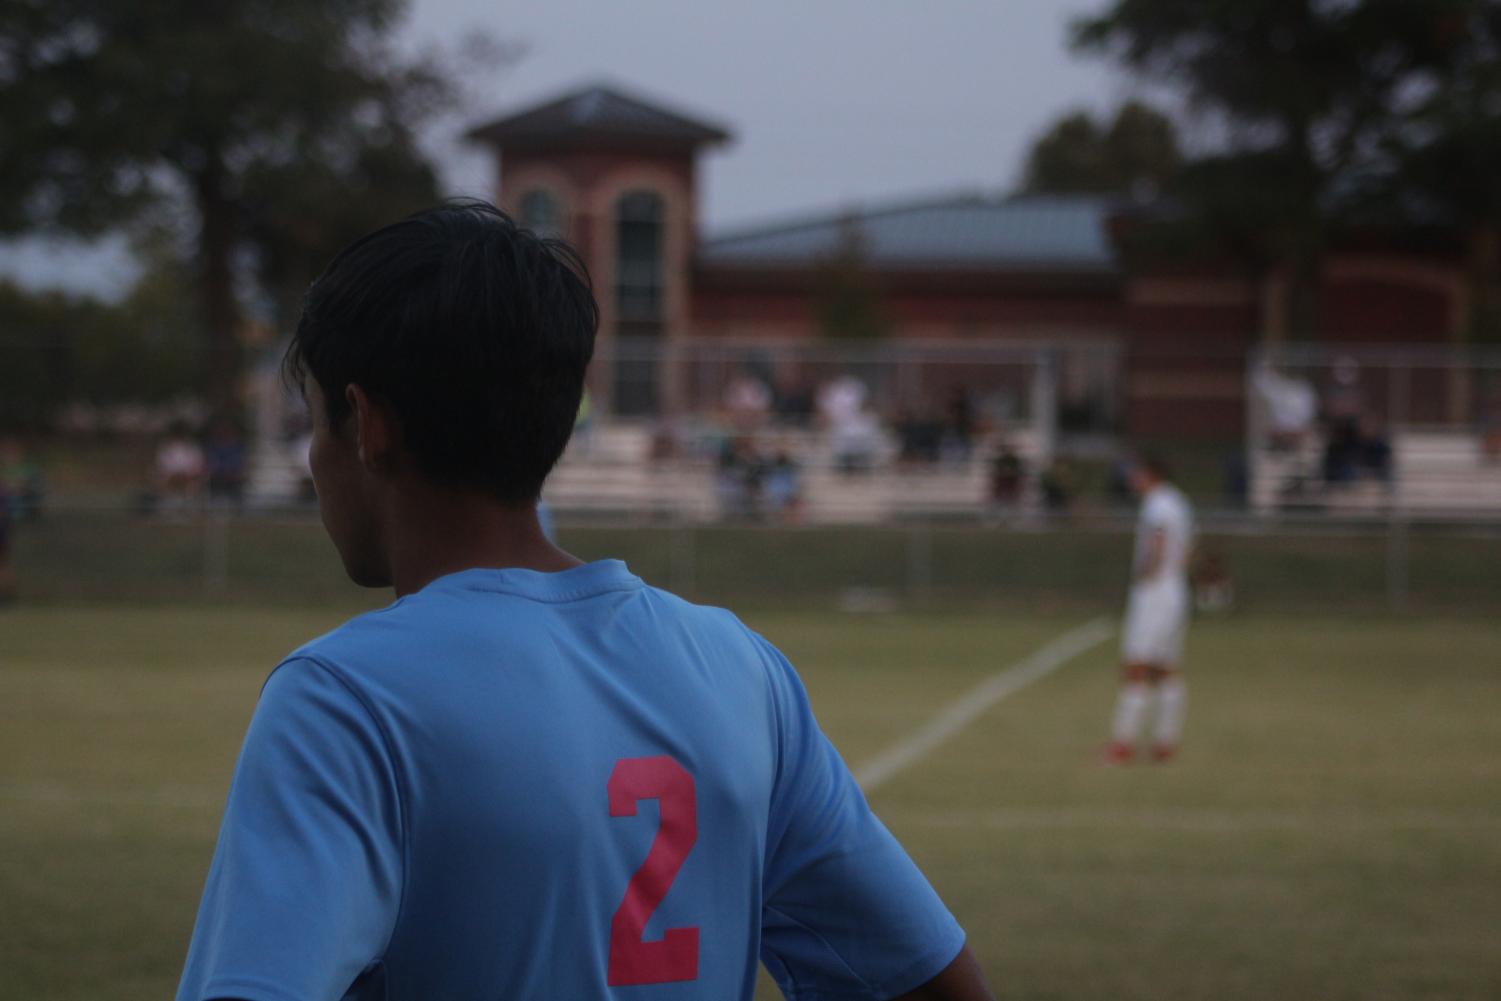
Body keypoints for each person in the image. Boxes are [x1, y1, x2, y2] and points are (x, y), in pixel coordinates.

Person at [175, 201, 991, 1001]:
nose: (314, 460)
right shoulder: (740, 667)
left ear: (367, 422)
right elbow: (924, 980)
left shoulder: (344, 698)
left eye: (314, 422)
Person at [1105, 453, 1194, 765]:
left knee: (1136, 667)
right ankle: (1164, 743)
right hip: (1175, 589)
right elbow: (1186, 549)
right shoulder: (1179, 502)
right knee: (1165, 668)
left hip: (1155, 592)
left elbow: (1157, 540)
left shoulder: (1157, 504)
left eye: (1136, 473)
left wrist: (1147, 573)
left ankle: (1123, 743)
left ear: (1150, 473)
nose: (1132, 479)